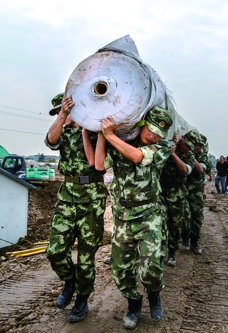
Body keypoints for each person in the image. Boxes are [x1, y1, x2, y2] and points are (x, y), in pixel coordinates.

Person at [94, 106, 173, 329]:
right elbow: (100, 165)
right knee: (121, 269)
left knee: (151, 268)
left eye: (159, 133)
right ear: (142, 122)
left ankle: (154, 295)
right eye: (152, 129)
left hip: (150, 216)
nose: (153, 136)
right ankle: (133, 302)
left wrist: (110, 136)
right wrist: (102, 133)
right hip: (122, 217)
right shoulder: (121, 140)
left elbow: (139, 157)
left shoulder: (162, 147)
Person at [45, 94, 107, 323]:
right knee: (55, 251)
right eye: (60, 113)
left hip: (92, 200)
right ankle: (69, 281)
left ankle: (82, 299)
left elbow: (99, 163)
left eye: (67, 111)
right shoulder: (62, 130)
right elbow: (51, 141)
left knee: (86, 256)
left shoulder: (93, 129)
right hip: (67, 198)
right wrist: (61, 116)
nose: (64, 117)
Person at [160, 129, 199, 267]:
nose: (187, 147)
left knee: (175, 226)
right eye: (186, 144)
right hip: (162, 192)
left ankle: (172, 253)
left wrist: (174, 155)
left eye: (190, 147)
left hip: (177, 195)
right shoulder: (172, 147)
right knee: (161, 224)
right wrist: (172, 149)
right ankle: (160, 254)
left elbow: (185, 170)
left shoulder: (188, 155)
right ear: (182, 138)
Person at [182, 134, 211, 255]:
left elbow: (201, 169)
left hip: (196, 190)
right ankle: (185, 240)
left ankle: (194, 242)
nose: (198, 147)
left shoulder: (201, 155)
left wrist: (189, 156)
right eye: (196, 144)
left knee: (197, 217)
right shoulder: (183, 151)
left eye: (200, 145)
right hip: (183, 189)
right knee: (185, 216)